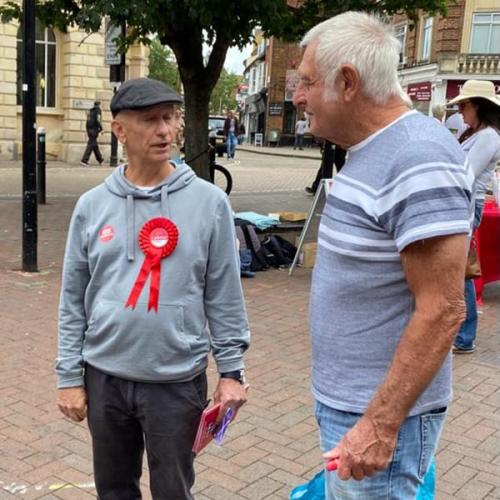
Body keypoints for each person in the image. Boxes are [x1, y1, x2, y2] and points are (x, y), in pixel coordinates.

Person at [293, 12, 473, 499]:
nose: (298, 96)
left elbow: (443, 309)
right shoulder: (371, 148)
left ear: (347, 82)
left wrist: (379, 423)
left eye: (307, 82)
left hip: (375, 415)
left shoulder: (418, 155)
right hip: (351, 403)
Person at [57, 78, 250, 500]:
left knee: (173, 491)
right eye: (150, 120)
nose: (165, 130)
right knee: (114, 490)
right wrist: (69, 376)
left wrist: (232, 372)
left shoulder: (209, 203)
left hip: (175, 381)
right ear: (119, 130)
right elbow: (73, 297)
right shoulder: (92, 206)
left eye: (170, 117)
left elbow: (223, 292)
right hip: (104, 376)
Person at [447, 79, 500, 354]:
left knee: (462, 272)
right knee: (458, 272)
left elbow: (464, 176)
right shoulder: (476, 134)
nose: (461, 112)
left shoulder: (489, 136)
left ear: (478, 106)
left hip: (466, 206)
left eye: (464, 105)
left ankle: (465, 335)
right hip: (462, 205)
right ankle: (461, 333)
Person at [81, 100, 104, 166]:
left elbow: (87, 120)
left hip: (89, 129)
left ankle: (100, 159)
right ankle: (84, 160)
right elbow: (98, 119)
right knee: (91, 145)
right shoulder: (98, 110)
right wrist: (101, 128)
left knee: (94, 144)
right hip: (94, 129)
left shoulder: (91, 110)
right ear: (99, 104)